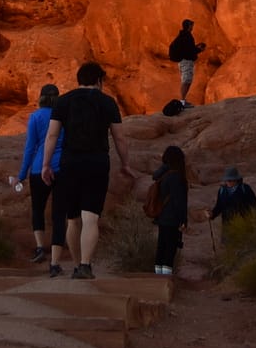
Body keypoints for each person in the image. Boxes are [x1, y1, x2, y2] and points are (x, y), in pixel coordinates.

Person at [40, 60, 131, 279]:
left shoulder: (63, 102)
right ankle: (85, 265)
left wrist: (45, 164)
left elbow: (52, 135)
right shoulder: (108, 103)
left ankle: (76, 264)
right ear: (99, 81)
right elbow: (119, 137)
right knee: (90, 218)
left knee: (72, 219)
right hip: (97, 162)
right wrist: (126, 163)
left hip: (70, 163)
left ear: (79, 80)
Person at [15, 83, 66, 263]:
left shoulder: (35, 117)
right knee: (59, 214)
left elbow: (30, 148)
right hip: (61, 168)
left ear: (41, 98)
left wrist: (22, 174)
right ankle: (56, 260)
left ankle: (39, 247)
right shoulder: (64, 116)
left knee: (38, 209)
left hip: (38, 169)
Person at [150, 145, 191, 276]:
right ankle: (165, 279)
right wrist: (183, 220)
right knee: (170, 248)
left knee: (161, 246)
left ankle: (158, 277)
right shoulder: (176, 177)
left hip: (162, 217)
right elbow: (179, 201)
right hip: (172, 218)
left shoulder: (163, 175)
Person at [167, 18, 206, 103]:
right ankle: (182, 101)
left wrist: (196, 48)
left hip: (183, 61)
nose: (193, 27)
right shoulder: (187, 36)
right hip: (186, 61)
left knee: (187, 80)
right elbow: (189, 51)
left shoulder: (183, 36)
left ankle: (183, 100)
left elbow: (187, 49)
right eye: (192, 25)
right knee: (186, 81)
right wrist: (199, 49)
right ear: (189, 26)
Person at [213, 165, 256, 229]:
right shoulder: (222, 190)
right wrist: (211, 214)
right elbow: (219, 207)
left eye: (230, 180)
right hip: (227, 226)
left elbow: (255, 205)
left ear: (236, 179)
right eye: (227, 180)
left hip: (244, 225)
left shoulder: (245, 189)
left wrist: (255, 220)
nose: (228, 182)